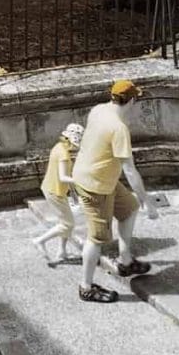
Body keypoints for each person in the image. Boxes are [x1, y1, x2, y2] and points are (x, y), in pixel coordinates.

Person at [71, 78, 151, 304]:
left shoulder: (98, 110)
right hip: (94, 186)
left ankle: (125, 262)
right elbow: (131, 171)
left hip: (101, 178)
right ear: (132, 100)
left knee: (129, 209)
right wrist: (147, 201)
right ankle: (85, 287)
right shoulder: (119, 129)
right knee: (96, 239)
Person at [30, 121, 85, 264]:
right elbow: (63, 176)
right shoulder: (63, 154)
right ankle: (40, 241)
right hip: (54, 191)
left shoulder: (59, 147)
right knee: (68, 224)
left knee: (65, 221)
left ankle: (62, 251)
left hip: (55, 189)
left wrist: (73, 193)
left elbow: (66, 176)